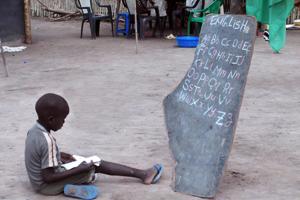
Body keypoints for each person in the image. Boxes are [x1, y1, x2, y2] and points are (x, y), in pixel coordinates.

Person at [25, 93, 163, 195]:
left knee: (76, 159)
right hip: (47, 187)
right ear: (51, 119)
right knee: (95, 164)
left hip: (37, 183)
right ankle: (144, 174)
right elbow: (48, 177)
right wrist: (80, 169)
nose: (64, 123)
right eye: (63, 119)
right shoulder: (47, 140)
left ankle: (75, 185)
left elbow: (41, 156)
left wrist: (60, 156)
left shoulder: (33, 131)